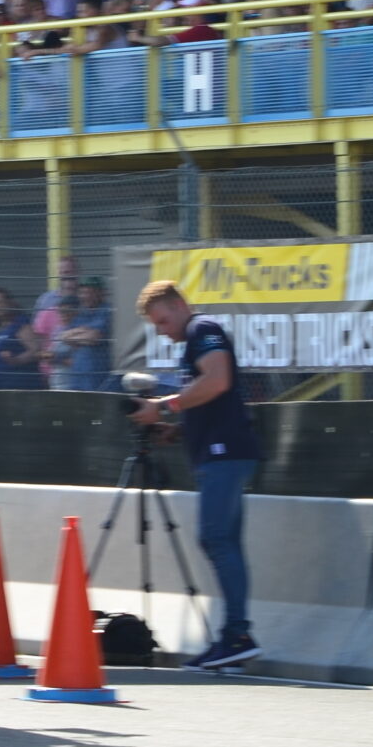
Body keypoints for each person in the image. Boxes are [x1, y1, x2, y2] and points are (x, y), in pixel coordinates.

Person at [132, 280, 263, 669]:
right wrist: (178, 429)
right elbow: (209, 397)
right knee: (224, 541)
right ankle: (235, 636)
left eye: (162, 320)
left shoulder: (201, 329)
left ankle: (237, 635)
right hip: (219, 452)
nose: (161, 331)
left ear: (179, 305)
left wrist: (163, 406)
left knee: (216, 538)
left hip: (225, 453)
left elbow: (218, 380)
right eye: (155, 325)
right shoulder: (195, 338)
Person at [0, 287, 47, 388]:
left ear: (9, 303)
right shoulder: (3, 330)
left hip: (21, 386)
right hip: (1, 386)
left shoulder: (20, 324)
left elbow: (36, 350)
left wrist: (16, 360)